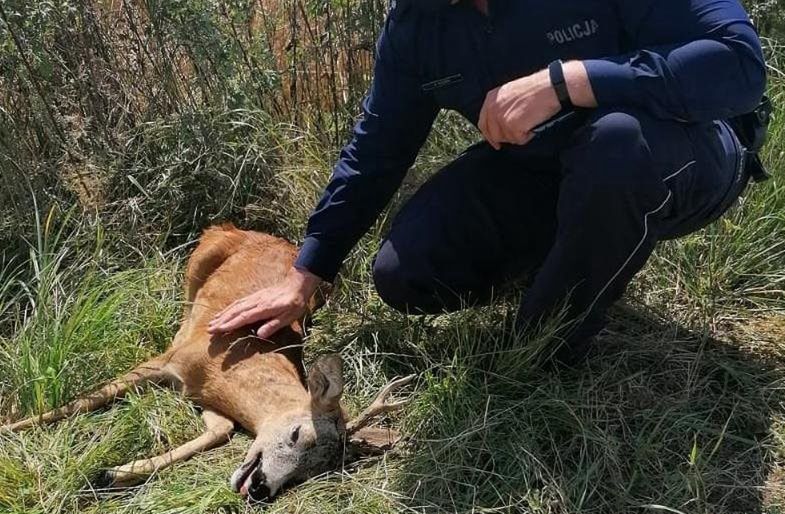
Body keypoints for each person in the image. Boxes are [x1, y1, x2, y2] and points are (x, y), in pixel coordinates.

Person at [209, 0, 767, 364]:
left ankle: (544, 345)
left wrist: (571, 80)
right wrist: (308, 273)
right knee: (406, 272)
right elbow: (377, 147)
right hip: (547, 167)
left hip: (690, 150)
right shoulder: (417, 25)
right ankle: (578, 262)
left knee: (616, 145)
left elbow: (736, 65)